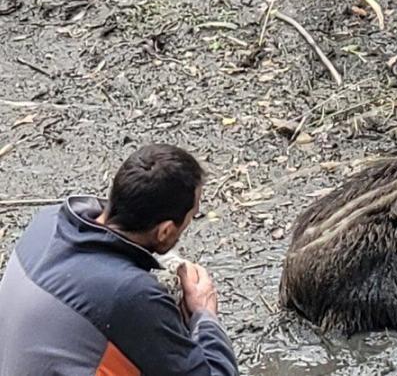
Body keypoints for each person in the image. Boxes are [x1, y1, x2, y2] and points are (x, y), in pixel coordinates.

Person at [0, 144, 238, 376]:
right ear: (165, 231)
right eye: (192, 216)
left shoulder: (48, 221)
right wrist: (205, 316)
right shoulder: (132, 295)